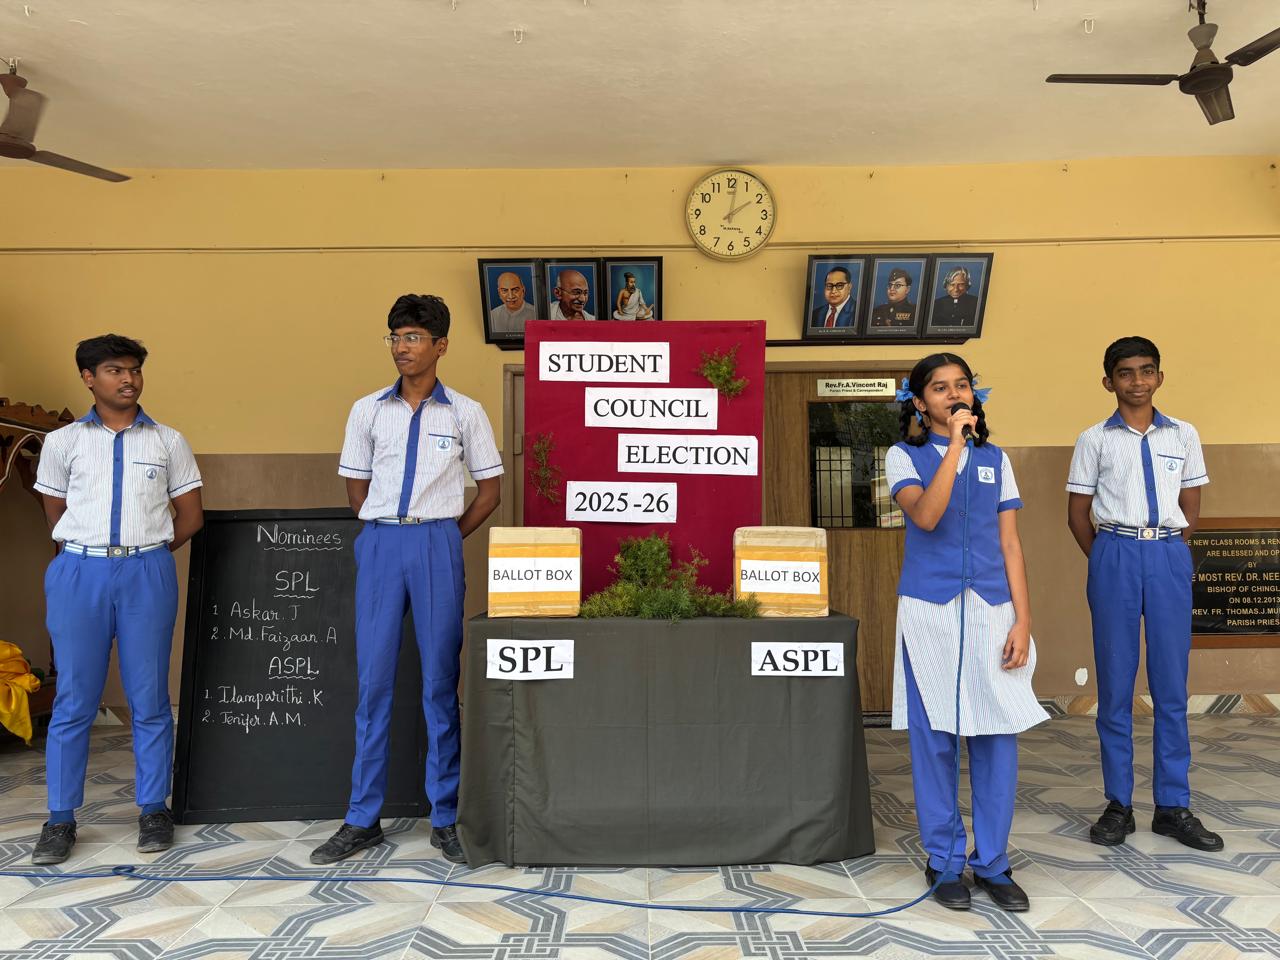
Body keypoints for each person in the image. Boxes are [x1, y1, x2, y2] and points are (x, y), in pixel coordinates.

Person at [312, 294, 502, 866]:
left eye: (414, 337)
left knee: (440, 681)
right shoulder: (367, 410)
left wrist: (444, 537)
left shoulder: (465, 412)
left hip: (437, 542)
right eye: (395, 336)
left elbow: (489, 491)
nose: (402, 346)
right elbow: (356, 489)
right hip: (380, 542)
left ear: (440, 346)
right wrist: (387, 528)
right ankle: (361, 817)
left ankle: (444, 816)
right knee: (373, 682)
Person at [31, 334, 204, 865]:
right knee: (73, 699)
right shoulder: (63, 442)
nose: (128, 379)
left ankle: (153, 809)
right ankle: (60, 818)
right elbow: (55, 513)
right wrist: (92, 552)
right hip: (78, 571)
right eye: (114, 370)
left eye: (134, 370)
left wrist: (145, 553)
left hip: (147, 570)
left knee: (149, 696)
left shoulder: (168, 441)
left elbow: (191, 516)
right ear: (88, 378)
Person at [887, 353, 1048, 912]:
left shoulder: (996, 460)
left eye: (962, 385)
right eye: (940, 388)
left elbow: (1010, 543)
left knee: (996, 735)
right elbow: (926, 516)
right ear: (918, 402)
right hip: (929, 612)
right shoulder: (903, 456)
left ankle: (993, 863)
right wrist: (954, 447)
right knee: (935, 739)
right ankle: (944, 860)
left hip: (992, 610)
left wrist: (1023, 620)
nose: (954, 395)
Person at [1066, 336, 1223, 852]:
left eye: (1147, 370)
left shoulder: (1184, 434)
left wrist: (1167, 549)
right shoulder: (1094, 439)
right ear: (1108, 381)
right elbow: (1077, 514)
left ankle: (1173, 806)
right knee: (1115, 685)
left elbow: (1190, 505)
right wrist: (1107, 559)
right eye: (1126, 372)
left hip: (1168, 555)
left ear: (1160, 377)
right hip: (1113, 552)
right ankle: (1119, 804)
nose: (1138, 381)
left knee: (1171, 684)